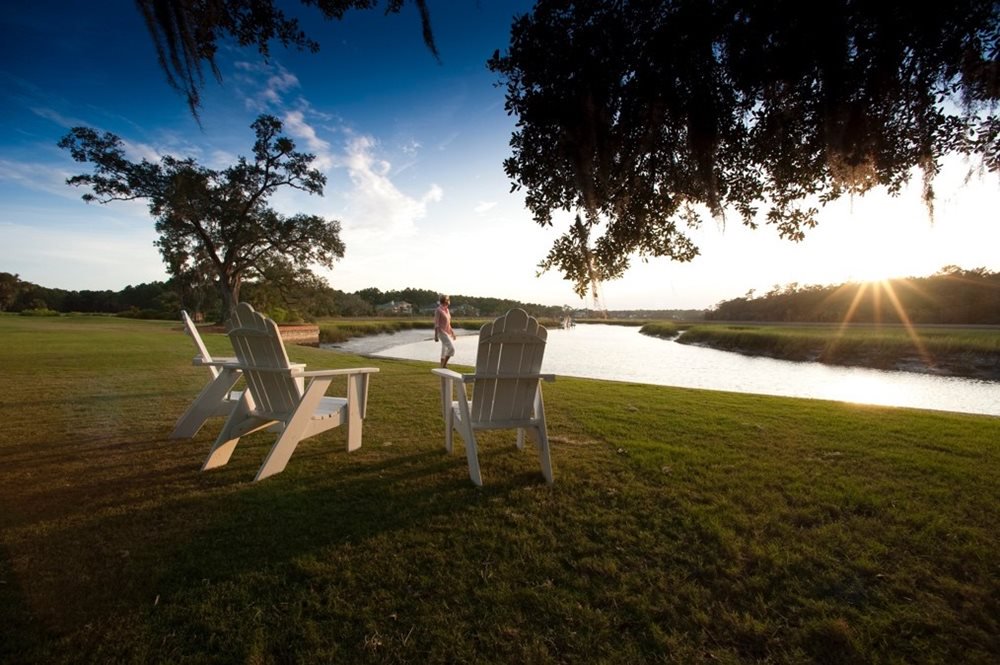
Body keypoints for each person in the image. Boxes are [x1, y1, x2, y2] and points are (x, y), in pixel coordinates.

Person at [434, 294, 457, 367]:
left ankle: (442, 365)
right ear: (445, 301)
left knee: (444, 349)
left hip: (447, 332)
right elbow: (436, 323)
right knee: (451, 348)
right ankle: (444, 364)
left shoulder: (447, 310)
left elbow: (448, 323)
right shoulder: (438, 310)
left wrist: (452, 333)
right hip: (441, 332)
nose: (449, 301)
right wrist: (436, 336)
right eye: (448, 299)